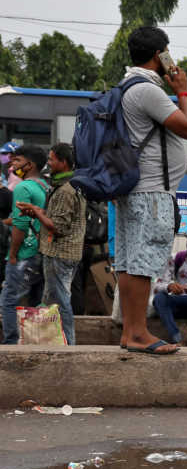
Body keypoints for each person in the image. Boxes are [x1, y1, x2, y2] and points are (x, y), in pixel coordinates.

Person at [111, 27, 187, 354]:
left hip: (133, 189)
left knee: (131, 261)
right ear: (159, 54)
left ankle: (130, 332)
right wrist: (183, 92)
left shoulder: (124, 87)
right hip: (152, 192)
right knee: (144, 263)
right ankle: (139, 333)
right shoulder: (147, 90)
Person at [15, 143, 85, 344]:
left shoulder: (65, 189)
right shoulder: (67, 185)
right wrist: (35, 210)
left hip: (60, 253)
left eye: (52, 159)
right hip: (61, 253)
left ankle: (69, 345)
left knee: (61, 303)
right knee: (49, 301)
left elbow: (58, 227)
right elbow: (55, 218)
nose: (48, 162)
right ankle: (47, 342)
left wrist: (36, 212)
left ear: (63, 163)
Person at [2, 145, 50, 344]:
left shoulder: (22, 187)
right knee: (35, 303)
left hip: (24, 253)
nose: (12, 165)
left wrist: (13, 254)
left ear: (29, 165)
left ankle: (11, 343)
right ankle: (34, 342)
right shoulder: (43, 186)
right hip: (40, 252)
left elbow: (21, 224)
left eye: (18, 161)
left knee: (8, 300)